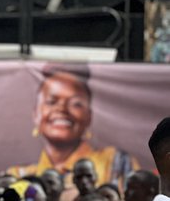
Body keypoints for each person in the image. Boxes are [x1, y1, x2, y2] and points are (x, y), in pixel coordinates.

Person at [8, 65, 138, 191]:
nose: (61, 109)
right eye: (51, 102)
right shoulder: (18, 176)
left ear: (89, 116)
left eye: (75, 104)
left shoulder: (115, 162)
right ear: (35, 114)